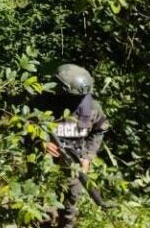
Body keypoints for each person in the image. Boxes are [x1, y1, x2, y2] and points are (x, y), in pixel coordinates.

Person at [33, 63, 110, 228]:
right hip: (46, 161)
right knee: (43, 202)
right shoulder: (43, 102)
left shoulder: (92, 108)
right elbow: (25, 124)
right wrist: (41, 142)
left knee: (70, 203)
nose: (77, 101)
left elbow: (99, 130)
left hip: (74, 161)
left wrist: (88, 157)